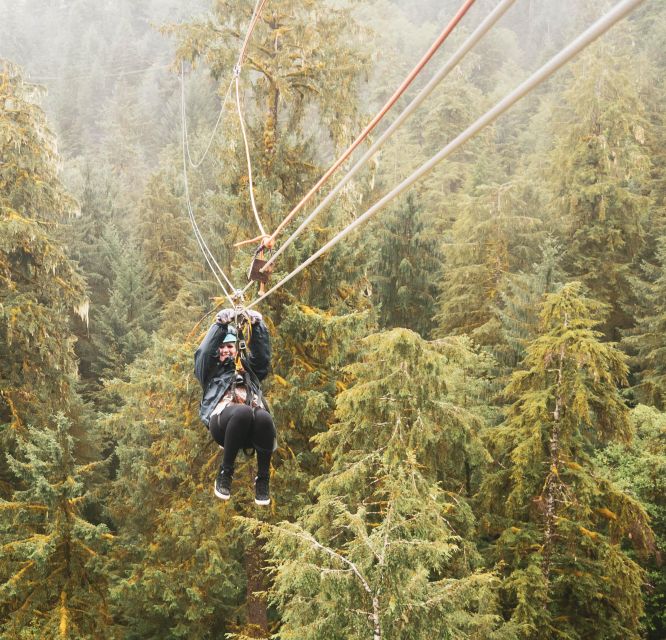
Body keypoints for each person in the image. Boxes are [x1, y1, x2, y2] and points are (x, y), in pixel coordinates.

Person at [194, 308, 276, 505]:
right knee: (243, 412)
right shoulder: (210, 371)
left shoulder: (249, 371)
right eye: (221, 348)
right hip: (222, 423)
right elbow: (204, 352)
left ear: (237, 349)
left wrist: (257, 327)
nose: (225, 350)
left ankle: (263, 480)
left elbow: (262, 358)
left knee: (264, 417)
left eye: (230, 346)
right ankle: (225, 472)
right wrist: (220, 325)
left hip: (251, 429)